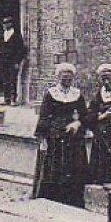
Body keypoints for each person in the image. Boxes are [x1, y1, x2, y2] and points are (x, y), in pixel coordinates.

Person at [33, 63, 89, 207]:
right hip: (55, 138)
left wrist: (77, 124)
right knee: (54, 169)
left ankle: (73, 199)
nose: (67, 81)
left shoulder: (77, 95)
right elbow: (44, 116)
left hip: (74, 139)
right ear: (58, 78)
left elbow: (85, 116)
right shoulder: (51, 94)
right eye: (64, 78)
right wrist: (42, 138)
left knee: (74, 169)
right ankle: (53, 199)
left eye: (69, 79)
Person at [0, 15, 27, 105]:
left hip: (13, 61)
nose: (4, 25)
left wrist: (17, 61)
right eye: (3, 23)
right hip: (4, 60)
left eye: (6, 23)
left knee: (13, 79)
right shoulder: (2, 34)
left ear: (10, 24)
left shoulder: (16, 35)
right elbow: (1, 47)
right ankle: (6, 99)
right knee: (5, 80)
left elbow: (21, 49)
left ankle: (13, 99)